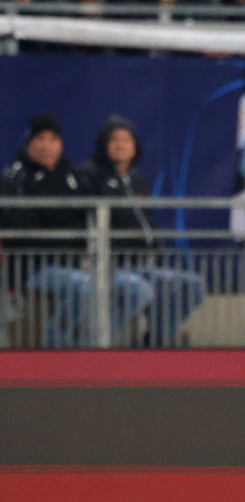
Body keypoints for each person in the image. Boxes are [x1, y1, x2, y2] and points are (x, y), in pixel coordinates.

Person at [0, 114, 153, 348]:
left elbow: (88, 217)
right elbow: (25, 230)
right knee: (84, 287)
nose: (46, 146)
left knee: (138, 289)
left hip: (79, 264)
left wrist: (81, 250)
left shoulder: (71, 173)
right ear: (28, 143)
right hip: (34, 268)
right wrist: (69, 234)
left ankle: (87, 345)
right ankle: (52, 345)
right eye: (40, 139)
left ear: (60, 144)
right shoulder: (15, 177)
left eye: (53, 139)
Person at [82, 115, 206, 347]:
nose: (120, 145)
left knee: (193, 286)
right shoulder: (90, 175)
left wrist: (158, 254)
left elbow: (146, 222)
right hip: (114, 265)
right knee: (139, 290)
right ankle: (91, 344)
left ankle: (152, 343)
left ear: (135, 146)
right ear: (103, 145)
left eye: (126, 140)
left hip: (146, 264)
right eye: (114, 140)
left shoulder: (138, 180)